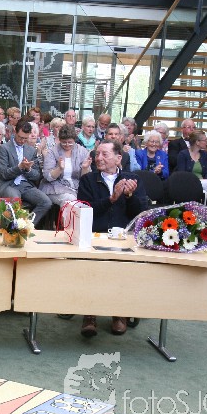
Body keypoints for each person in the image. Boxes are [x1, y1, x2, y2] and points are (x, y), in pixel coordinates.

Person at [76, 140, 148, 337]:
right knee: (92, 272)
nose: (99, 158)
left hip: (123, 236)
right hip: (95, 234)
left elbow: (141, 212)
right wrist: (111, 200)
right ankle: (90, 314)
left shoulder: (133, 179)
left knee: (122, 273)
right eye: (97, 154)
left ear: (118, 158)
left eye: (104, 154)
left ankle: (119, 313)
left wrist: (130, 196)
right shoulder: (88, 180)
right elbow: (84, 209)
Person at [0, 121, 52, 228]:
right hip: (8, 184)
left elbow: (36, 175)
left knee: (46, 202)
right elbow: (4, 174)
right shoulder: (4, 148)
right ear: (15, 132)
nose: (22, 141)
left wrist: (28, 169)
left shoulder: (31, 150)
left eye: (25, 138)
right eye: (20, 137)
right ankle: (11, 229)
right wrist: (20, 167)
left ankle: (25, 226)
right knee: (15, 199)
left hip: (25, 185)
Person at [40, 124, 92, 207]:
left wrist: (85, 168)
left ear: (74, 140)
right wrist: (59, 169)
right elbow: (47, 177)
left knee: (90, 200)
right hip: (55, 188)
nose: (67, 145)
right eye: (64, 142)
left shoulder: (82, 151)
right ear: (59, 140)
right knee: (70, 200)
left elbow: (86, 179)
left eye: (70, 142)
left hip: (77, 187)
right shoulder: (52, 152)